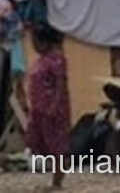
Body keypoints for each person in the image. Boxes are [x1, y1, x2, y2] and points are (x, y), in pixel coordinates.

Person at [24, 23, 70, 189]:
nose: (34, 46)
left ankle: (57, 181)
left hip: (52, 109)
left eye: (36, 42)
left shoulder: (57, 59)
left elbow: (61, 85)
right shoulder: (40, 60)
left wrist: (54, 106)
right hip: (38, 108)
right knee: (37, 141)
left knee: (56, 145)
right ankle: (53, 175)